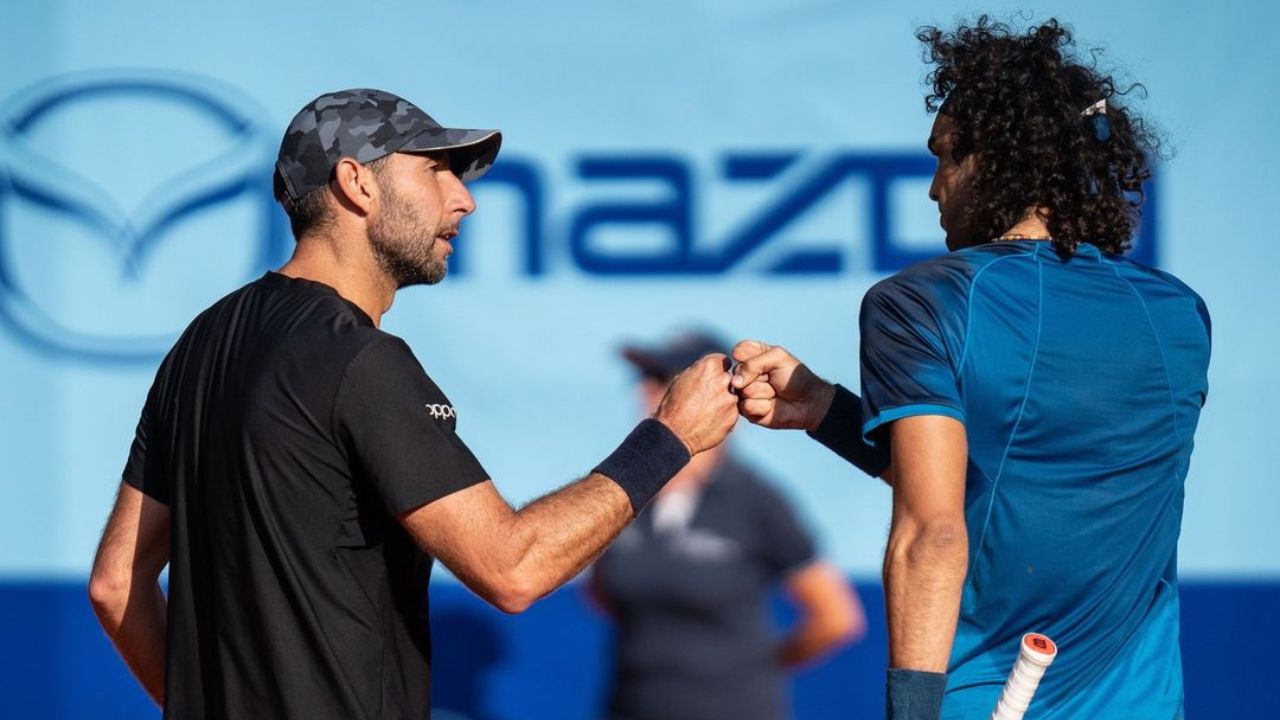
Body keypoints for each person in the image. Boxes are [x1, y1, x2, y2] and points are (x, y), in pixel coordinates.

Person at [87, 88, 740, 720]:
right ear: (357, 183)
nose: (464, 200)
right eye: (436, 171)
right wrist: (672, 435)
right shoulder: (360, 360)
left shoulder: (205, 341)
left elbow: (117, 586)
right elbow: (513, 567)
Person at [730, 17, 1210, 720]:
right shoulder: (1180, 314)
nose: (932, 188)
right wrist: (824, 409)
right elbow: (1017, 473)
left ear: (994, 161)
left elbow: (935, 529)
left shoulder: (923, 301)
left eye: (944, 157)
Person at [589, 331, 865, 720]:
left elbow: (836, 617)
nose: (645, 394)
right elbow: (601, 591)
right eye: (643, 381)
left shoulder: (755, 501)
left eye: (662, 380)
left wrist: (749, 669)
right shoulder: (625, 490)